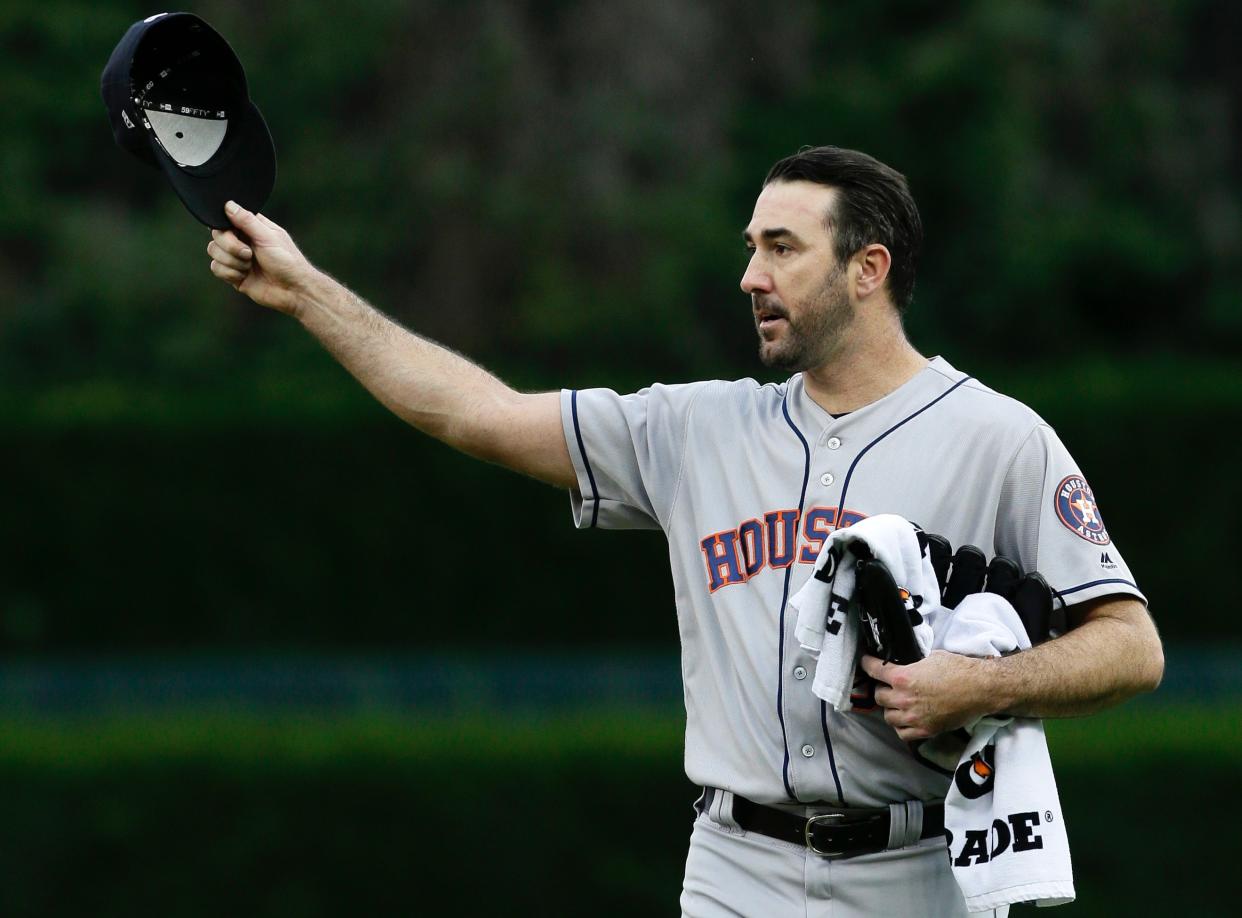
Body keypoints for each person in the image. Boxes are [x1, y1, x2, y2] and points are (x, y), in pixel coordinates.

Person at [205, 146, 1164, 917]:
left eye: (782, 247)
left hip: (916, 877)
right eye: (752, 246)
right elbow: (479, 416)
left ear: (868, 269)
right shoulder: (695, 428)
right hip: (732, 871)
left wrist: (984, 683)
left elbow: (1132, 648)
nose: (751, 274)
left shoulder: (998, 438)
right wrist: (305, 293)